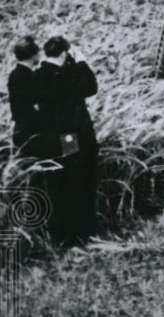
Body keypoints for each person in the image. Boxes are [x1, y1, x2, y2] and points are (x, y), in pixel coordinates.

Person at [34, 35, 100, 246]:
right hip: (74, 136)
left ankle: (64, 236)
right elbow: (91, 88)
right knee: (81, 177)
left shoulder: (38, 75)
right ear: (64, 53)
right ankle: (82, 232)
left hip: (56, 138)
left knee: (63, 182)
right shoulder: (69, 73)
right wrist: (80, 61)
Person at [8, 35, 43, 156]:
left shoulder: (14, 75)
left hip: (20, 130)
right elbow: (37, 105)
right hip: (32, 132)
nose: (39, 55)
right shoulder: (30, 77)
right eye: (38, 52)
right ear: (33, 55)